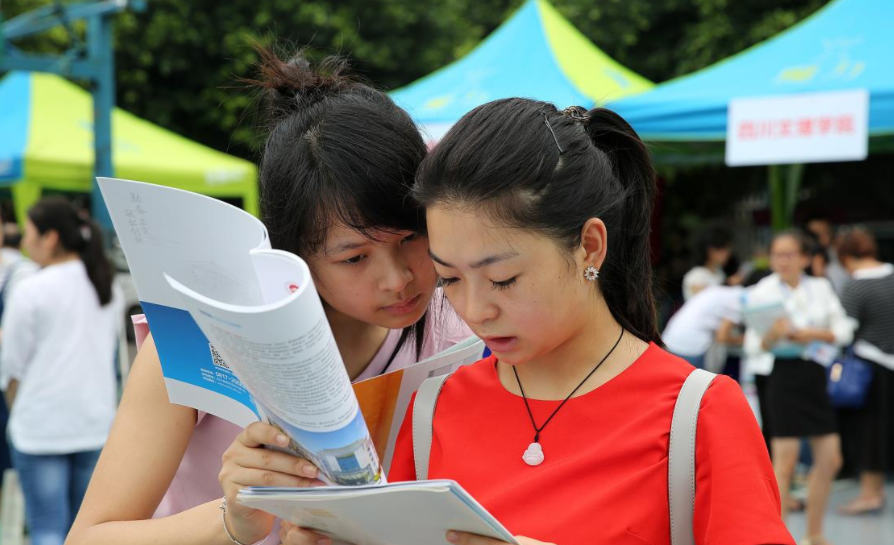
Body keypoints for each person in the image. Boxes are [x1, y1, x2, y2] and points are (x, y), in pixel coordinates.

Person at [270, 100, 795, 545]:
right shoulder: (433, 408)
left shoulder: (698, 413)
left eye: (502, 280)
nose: (476, 310)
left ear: (589, 245)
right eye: (449, 279)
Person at [66, 50, 471, 545]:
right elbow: (89, 537)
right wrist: (232, 519)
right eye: (354, 258)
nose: (398, 279)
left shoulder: (464, 330)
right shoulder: (200, 339)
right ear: (294, 253)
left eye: (410, 238)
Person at [0, 197, 121, 545]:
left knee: (48, 528)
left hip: (41, 426)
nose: (23, 240)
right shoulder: (106, 285)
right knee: (87, 532)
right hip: (94, 423)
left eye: (29, 232)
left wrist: (15, 412)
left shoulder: (31, 289)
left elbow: (12, 367)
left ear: (50, 237)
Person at [743, 230, 854, 545]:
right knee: (785, 462)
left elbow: (842, 329)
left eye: (790, 253)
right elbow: (754, 346)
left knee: (831, 458)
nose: (783, 260)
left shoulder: (819, 287)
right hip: (781, 376)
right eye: (778, 254)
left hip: (814, 375)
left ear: (805, 258)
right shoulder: (761, 291)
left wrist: (812, 334)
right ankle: (778, 536)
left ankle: (814, 533)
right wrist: (773, 336)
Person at [836, 227, 894, 515]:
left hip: (869, 365)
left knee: (871, 430)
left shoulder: (855, 285)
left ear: (845, 256)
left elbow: (844, 332)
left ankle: (871, 494)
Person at [662, 285, 744, 371]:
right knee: (695, 383)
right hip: (689, 350)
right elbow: (722, 337)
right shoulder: (737, 300)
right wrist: (744, 339)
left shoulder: (717, 291)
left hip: (669, 342)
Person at [682, 227, 732, 301]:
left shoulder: (719, 272)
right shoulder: (696, 275)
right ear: (711, 251)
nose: (728, 253)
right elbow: (704, 300)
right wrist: (728, 284)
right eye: (724, 249)